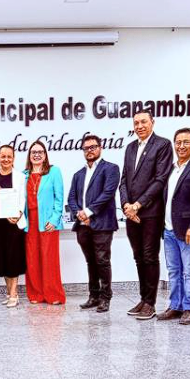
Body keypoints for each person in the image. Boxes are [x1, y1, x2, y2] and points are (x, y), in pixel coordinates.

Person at [119, 110, 172, 320]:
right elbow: (124, 180)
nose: (139, 126)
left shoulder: (162, 145)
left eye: (143, 122)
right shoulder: (130, 147)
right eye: (136, 123)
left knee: (150, 256)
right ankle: (143, 298)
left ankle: (150, 302)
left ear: (152, 122)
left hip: (150, 212)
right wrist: (126, 205)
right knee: (138, 256)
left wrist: (138, 205)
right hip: (131, 213)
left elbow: (160, 180)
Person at [157, 128, 190, 325]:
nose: (181, 146)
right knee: (173, 271)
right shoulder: (172, 168)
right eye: (178, 142)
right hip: (169, 229)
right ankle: (175, 306)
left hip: (189, 231)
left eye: (186, 142)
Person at [68, 134, 119, 313]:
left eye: (93, 147)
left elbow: (107, 193)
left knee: (102, 261)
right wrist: (79, 214)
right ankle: (94, 296)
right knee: (91, 261)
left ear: (100, 148)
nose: (89, 151)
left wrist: (88, 212)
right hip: (83, 226)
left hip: (102, 224)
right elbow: (71, 198)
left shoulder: (111, 169)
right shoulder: (78, 174)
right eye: (86, 148)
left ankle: (105, 298)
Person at [24, 140, 66, 305]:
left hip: (48, 223)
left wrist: (55, 219)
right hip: (29, 223)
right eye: (33, 152)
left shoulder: (54, 171)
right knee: (32, 259)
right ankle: (36, 293)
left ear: (45, 154)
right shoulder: (24, 175)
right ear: (29, 155)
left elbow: (59, 198)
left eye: (40, 152)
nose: (37, 155)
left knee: (49, 259)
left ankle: (53, 294)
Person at [0, 145, 27, 307]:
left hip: (13, 223)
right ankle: (10, 292)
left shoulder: (20, 176)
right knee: (2, 258)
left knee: (13, 258)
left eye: (9, 156)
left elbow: (22, 198)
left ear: (13, 158)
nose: (6, 159)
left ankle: (14, 294)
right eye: (3, 156)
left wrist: (18, 214)